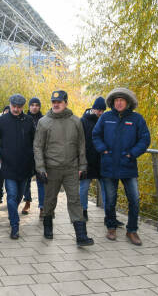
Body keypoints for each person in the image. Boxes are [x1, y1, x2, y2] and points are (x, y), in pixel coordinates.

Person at [34, 90, 94, 246]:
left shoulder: (76, 121)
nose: (55, 104)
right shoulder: (44, 122)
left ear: (66, 103)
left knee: (75, 200)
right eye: (53, 102)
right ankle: (48, 226)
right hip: (51, 169)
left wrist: (82, 165)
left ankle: (81, 235)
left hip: (71, 169)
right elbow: (37, 147)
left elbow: (82, 144)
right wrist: (40, 168)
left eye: (59, 102)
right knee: (49, 200)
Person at [92, 88, 150, 245]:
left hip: (128, 166)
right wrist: (103, 149)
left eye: (122, 100)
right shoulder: (105, 117)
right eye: (116, 100)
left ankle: (132, 231)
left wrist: (132, 153)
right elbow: (95, 135)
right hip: (108, 165)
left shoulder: (137, 119)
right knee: (110, 200)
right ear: (112, 102)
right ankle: (111, 227)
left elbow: (145, 139)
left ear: (128, 102)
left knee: (134, 199)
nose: (119, 102)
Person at [0, 94, 35, 239]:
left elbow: (35, 141)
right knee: (11, 196)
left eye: (19, 107)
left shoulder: (29, 120)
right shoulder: (2, 121)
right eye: (13, 106)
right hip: (8, 165)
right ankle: (15, 226)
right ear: (10, 105)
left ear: (23, 107)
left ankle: (12, 214)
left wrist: (32, 158)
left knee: (19, 196)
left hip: (25, 166)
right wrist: (2, 154)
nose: (16, 109)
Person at [79, 96, 112, 221]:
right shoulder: (83, 121)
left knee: (107, 189)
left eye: (103, 110)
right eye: (98, 110)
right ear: (93, 109)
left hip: (102, 160)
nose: (100, 113)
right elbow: (78, 142)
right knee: (84, 188)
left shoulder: (105, 121)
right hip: (86, 160)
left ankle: (109, 214)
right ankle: (83, 211)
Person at [22, 97, 45, 217]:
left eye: (37, 105)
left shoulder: (45, 119)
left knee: (42, 182)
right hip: (27, 155)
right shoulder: (24, 119)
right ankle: (27, 202)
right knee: (26, 182)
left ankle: (42, 207)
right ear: (29, 106)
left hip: (41, 156)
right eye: (32, 105)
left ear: (39, 107)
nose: (34, 107)